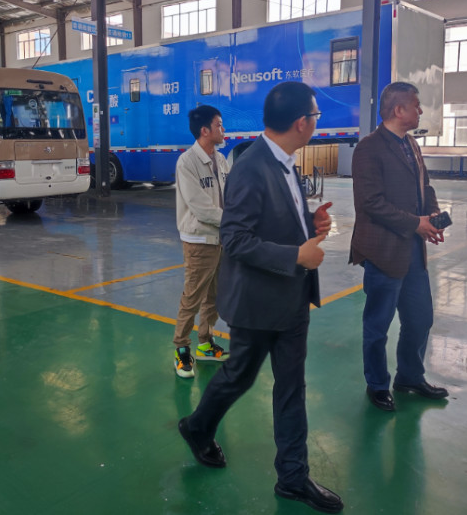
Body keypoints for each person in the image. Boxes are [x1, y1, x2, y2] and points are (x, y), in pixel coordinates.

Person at [178, 82, 343, 514]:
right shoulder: (252, 167)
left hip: (291, 297)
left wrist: (308, 222)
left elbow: (272, 218)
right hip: (258, 301)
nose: (316, 122)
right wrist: (296, 255)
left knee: (291, 388)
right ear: (301, 123)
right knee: (240, 375)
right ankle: (198, 426)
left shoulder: (285, 162)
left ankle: (292, 478)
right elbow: (235, 239)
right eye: (315, 116)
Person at [349, 81, 449, 413]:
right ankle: (377, 384)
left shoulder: (411, 144)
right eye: (416, 105)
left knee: (420, 318)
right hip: (383, 252)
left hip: (413, 252)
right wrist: (415, 223)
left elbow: (425, 186)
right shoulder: (368, 149)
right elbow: (371, 203)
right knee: (378, 324)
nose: (421, 110)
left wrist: (432, 215)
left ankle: (409, 377)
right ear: (398, 109)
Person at [173, 105, 230, 378]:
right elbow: (200, 206)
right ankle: (181, 347)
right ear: (205, 130)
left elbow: (230, 195)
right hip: (199, 239)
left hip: (221, 237)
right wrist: (233, 220)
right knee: (193, 296)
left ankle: (205, 343)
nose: (223, 130)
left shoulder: (221, 160)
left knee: (214, 295)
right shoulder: (187, 163)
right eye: (219, 125)